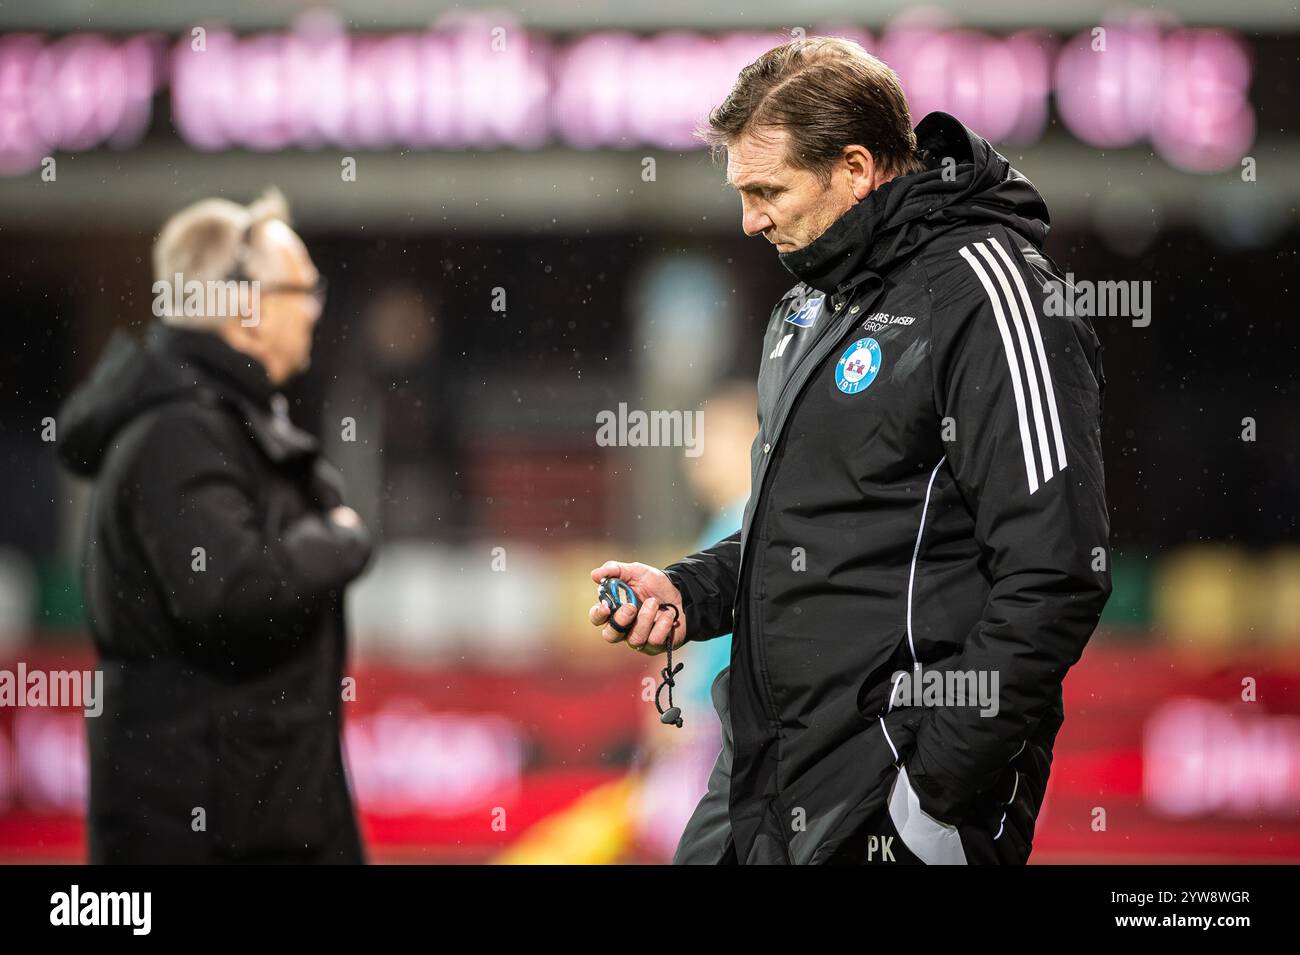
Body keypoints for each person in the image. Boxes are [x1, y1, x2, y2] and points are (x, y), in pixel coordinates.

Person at [588, 37, 1110, 865]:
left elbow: (1058, 571)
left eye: (767, 189)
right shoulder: (806, 306)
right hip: (759, 781)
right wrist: (691, 592)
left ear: (858, 167)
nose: (749, 217)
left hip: (895, 793)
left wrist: (934, 793)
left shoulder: (991, 292)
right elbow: (799, 533)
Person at [57, 189, 372, 863]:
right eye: (303, 289)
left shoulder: (218, 422)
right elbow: (231, 591)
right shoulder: (181, 432)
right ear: (247, 308)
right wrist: (342, 539)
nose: (315, 310)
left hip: (253, 823)